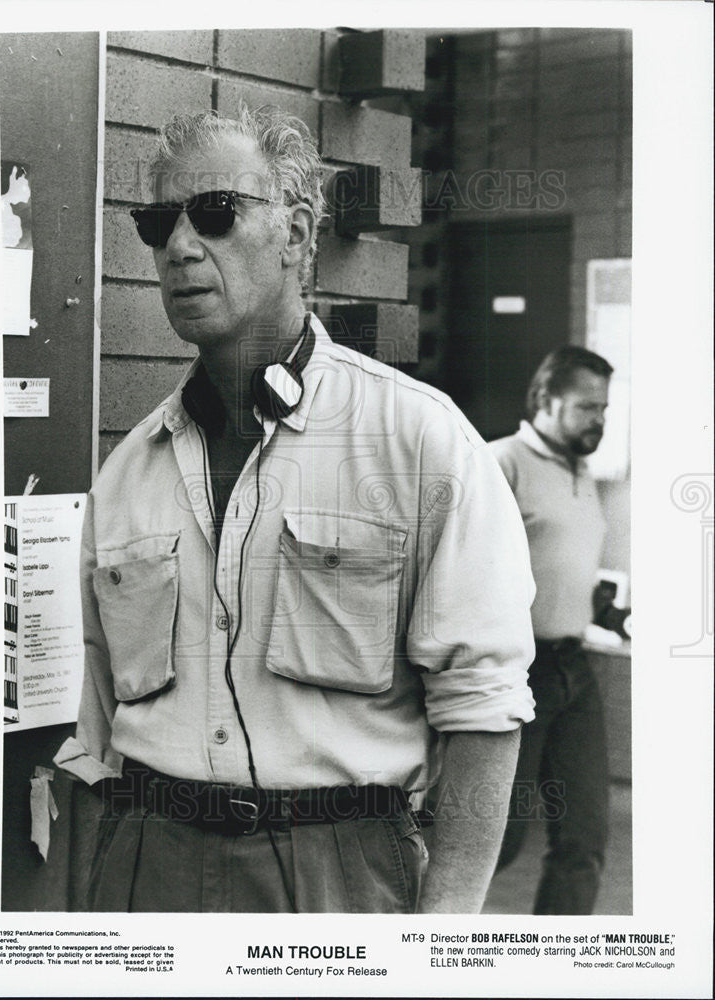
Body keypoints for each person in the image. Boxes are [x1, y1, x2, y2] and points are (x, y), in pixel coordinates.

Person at [55, 105, 537, 913]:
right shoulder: (130, 469)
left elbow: (483, 705)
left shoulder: (417, 440)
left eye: (214, 213)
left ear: (298, 234)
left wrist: (444, 934)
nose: (179, 247)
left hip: (336, 873)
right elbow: (99, 717)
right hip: (146, 862)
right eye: (157, 222)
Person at [489, 346, 614, 914]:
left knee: (584, 840)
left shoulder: (581, 470)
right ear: (545, 399)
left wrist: (607, 611)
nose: (599, 421)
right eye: (587, 407)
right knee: (496, 841)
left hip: (575, 670)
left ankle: (558, 971)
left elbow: (564, 566)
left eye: (604, 409)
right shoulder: (500, 463)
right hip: (517, 673)